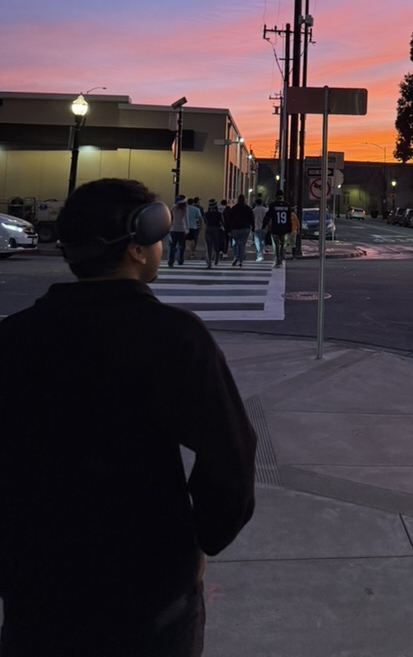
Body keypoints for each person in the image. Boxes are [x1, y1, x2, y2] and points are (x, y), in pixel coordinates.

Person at [0, 178, 256, 657]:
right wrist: (202, 542)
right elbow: (232, 457)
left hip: (36, 585)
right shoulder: (176, 339)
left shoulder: (13, 339)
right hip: (148, 585)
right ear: (138, 247)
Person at [263, 190, 293, 267]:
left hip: (275, 227)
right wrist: (290, 228)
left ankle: (278, 259)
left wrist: (264, 225)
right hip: (284, 227)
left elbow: (268, 216)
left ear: (276, 197)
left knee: (276, 244)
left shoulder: (273, 205)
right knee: (283, 243)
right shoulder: (287, 205)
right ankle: (281, 256)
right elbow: (290, 218)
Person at [228, 194, 254, 268]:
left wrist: (228, 229)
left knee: (235, 243)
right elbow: (251, 218)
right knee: (242, 244)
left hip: (235, 228)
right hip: (245, 228)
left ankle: (236, 256)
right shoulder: (248, 208)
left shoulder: (234, 208)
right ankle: (241, 261)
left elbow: (230, 219)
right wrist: (253, 227)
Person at [202, 198, 224, 268]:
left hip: (208, 229)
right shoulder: (219, 214)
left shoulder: (206, 214)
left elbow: (205, 222)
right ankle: (216, 260)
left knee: (208, 247)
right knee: (216, 246)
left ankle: (209, 263)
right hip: (216, 230)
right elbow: (222, 223)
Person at [168, 193, 189, 267]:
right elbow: (186, 219)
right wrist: (187, 229)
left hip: (173, 229)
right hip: (182, 229)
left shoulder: (173, 208)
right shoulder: (185, 209)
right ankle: (180, 260)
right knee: (182, 246)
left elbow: (170, 218)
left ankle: (171, 261)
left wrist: (169, 228)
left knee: (172, 246)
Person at [251, 195, 268, 263]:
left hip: (256, 227)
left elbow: (252, 219)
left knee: (257, 242)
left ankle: (259, 255)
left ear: (256, 203)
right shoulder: (265, 210)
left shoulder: (253, 210)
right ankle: (262, 252)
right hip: (264, 227)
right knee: (262, 241)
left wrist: (252, 227)